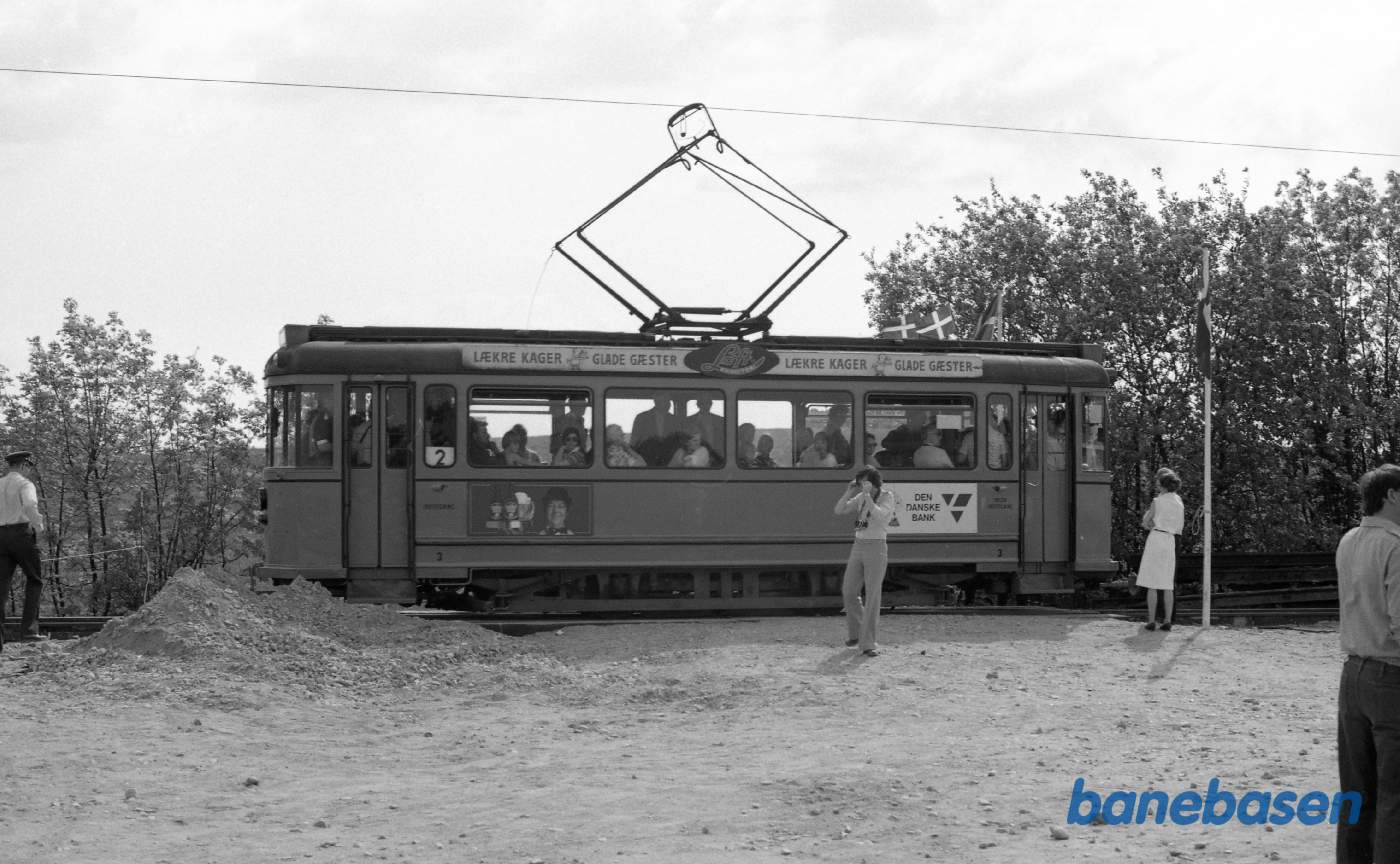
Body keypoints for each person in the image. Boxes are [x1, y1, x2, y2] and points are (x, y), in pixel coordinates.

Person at [1336, 463, 1400, 863]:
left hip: (1353, 675)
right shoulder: (1396, 546)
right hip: (1391, 677)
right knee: (1395, 794)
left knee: (1356, 792)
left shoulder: (1349, 540)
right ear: (1392, 495)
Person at [833, 468, 896, 656]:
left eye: (865, 482)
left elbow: (879, 515)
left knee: (872, 595)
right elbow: (839, 510)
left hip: (876, 547)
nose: (862, 486)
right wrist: (849, 492)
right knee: (849, 591)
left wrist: (867, 496)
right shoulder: (861, 496)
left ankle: (868, 643)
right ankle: (857, 633)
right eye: (860, 482)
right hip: (858, 545)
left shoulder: (887, 496)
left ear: (875, 483)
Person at [0, 451, 46, 646]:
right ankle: (29, 631)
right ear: (23, 466)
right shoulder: (25, 484)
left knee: (1, 586)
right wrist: (39, 527)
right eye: (29, 467)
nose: (29, 471)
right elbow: (29, 504)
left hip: (0, 536)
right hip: (21, 534)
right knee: (34, 579)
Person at [1135, 467, 1183, 630]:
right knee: (1168, 583)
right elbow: (1179, 526)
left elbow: (1146, 521)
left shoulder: (1158, 501)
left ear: (1162, 485)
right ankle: (1168, 620)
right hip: (1170, 539)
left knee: (1152, 582)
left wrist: (1150, 524)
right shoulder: (1179, 502)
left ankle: (1152, 620)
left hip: (1156, 538)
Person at [631, 395, 680, 466]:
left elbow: (678, 441)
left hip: (669, 462)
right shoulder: (642, 418)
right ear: (656, 401)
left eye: (668, 400)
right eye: (664, 400)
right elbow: (634, 441)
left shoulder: (674, 420)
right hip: (645, 461)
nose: (668, 404)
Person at [686, 397, 724, 463]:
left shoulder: (719, 419)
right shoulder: (690, 419)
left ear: (711, 404)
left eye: (707, 403)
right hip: (696, 455)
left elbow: (722, 438)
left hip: (716, 454)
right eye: (702, 403)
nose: (705, 406)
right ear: (698, 404)